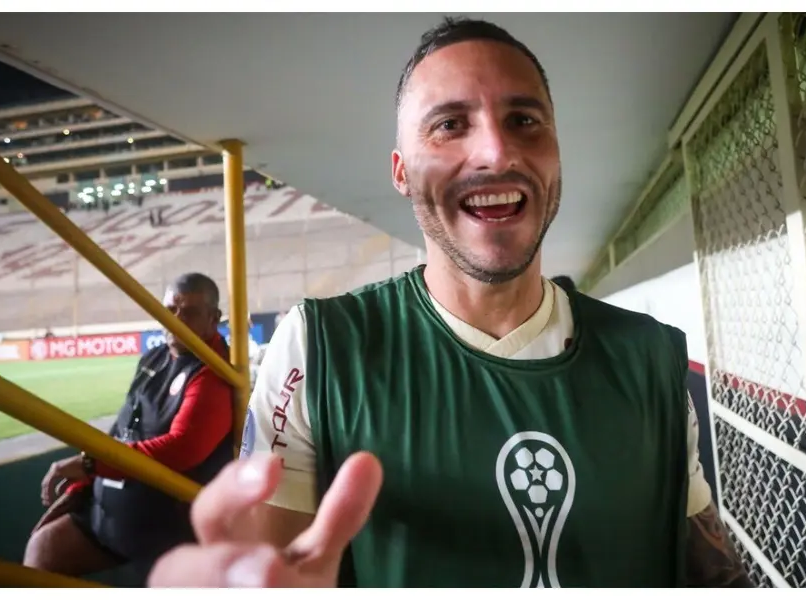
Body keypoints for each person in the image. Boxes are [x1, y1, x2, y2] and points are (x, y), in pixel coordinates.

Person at [148, 17, 750, 588]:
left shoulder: (649, 357)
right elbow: (276, 563)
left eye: (524, 120)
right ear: (401, 171)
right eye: (449, 125)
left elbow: (708, 566)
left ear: (557, 153)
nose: (495, 152)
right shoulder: (318, 348)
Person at [25, 272, 236, 578]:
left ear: (213, 318)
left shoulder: (213, 374)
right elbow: (122, 429)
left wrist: (90, 464)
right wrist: (84, 484)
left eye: (188, 312)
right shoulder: (153, 357)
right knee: (43, 550)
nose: (175, 319)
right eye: (169, 310)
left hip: (166, 531)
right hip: (107, 514)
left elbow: (183, 448)